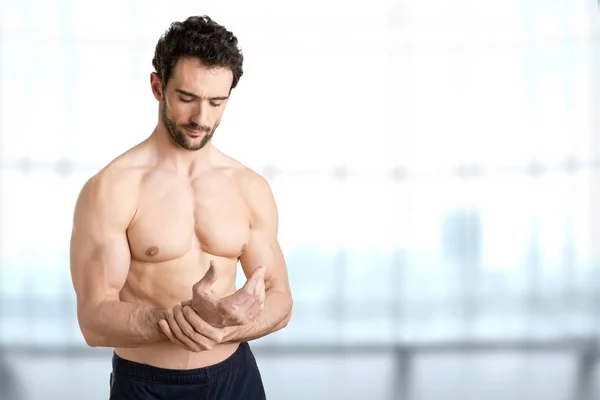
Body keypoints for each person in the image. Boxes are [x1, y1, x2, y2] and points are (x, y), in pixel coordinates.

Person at [69, 15, 293, 400]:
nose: (201, 119)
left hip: (235, 377)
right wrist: (183, 321)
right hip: (146, 385)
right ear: (158, 86)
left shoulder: (249, 187)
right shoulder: (112, 188)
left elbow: (280, 299)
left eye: (216, 102)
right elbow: (93, 319)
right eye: (186, 98)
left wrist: (224, 328)